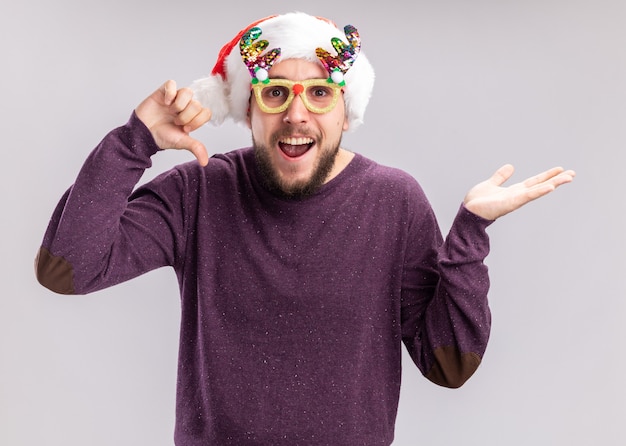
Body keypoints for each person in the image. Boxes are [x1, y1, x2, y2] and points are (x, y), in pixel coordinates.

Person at [35, 12, 575, 446]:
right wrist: (135, 141)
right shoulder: (198, 192)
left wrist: (471, 233)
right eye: (275, 93)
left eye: (320, 94)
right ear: (249, 111)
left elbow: (449, 363)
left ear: (346, 111)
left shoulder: (394, 201)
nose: (297, 114)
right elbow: (67, 269)